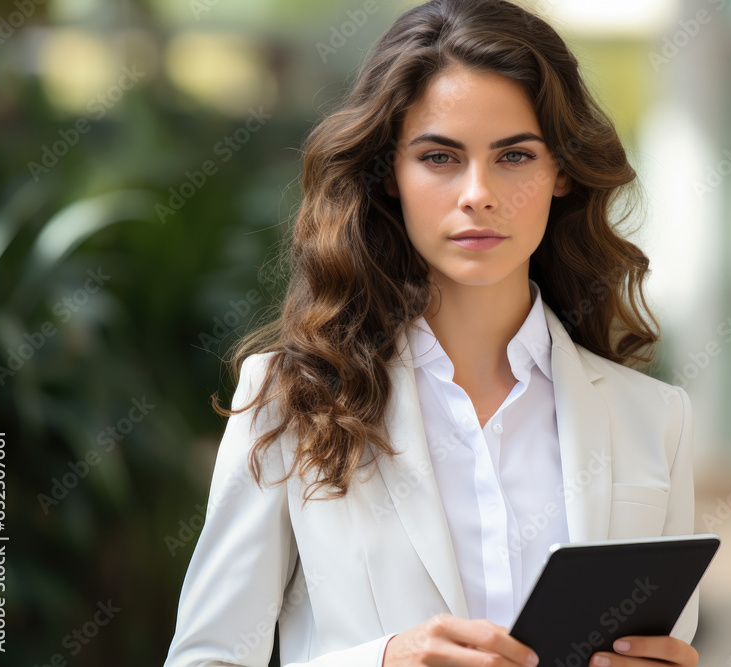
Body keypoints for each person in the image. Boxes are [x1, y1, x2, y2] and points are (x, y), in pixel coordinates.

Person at [163, 1, 700, 665]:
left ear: (560, 172)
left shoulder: (654, 419)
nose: (477, 192)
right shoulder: (289, 398)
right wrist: (381, 660)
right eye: (441, 156)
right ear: (391, 173)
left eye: (515, 155)